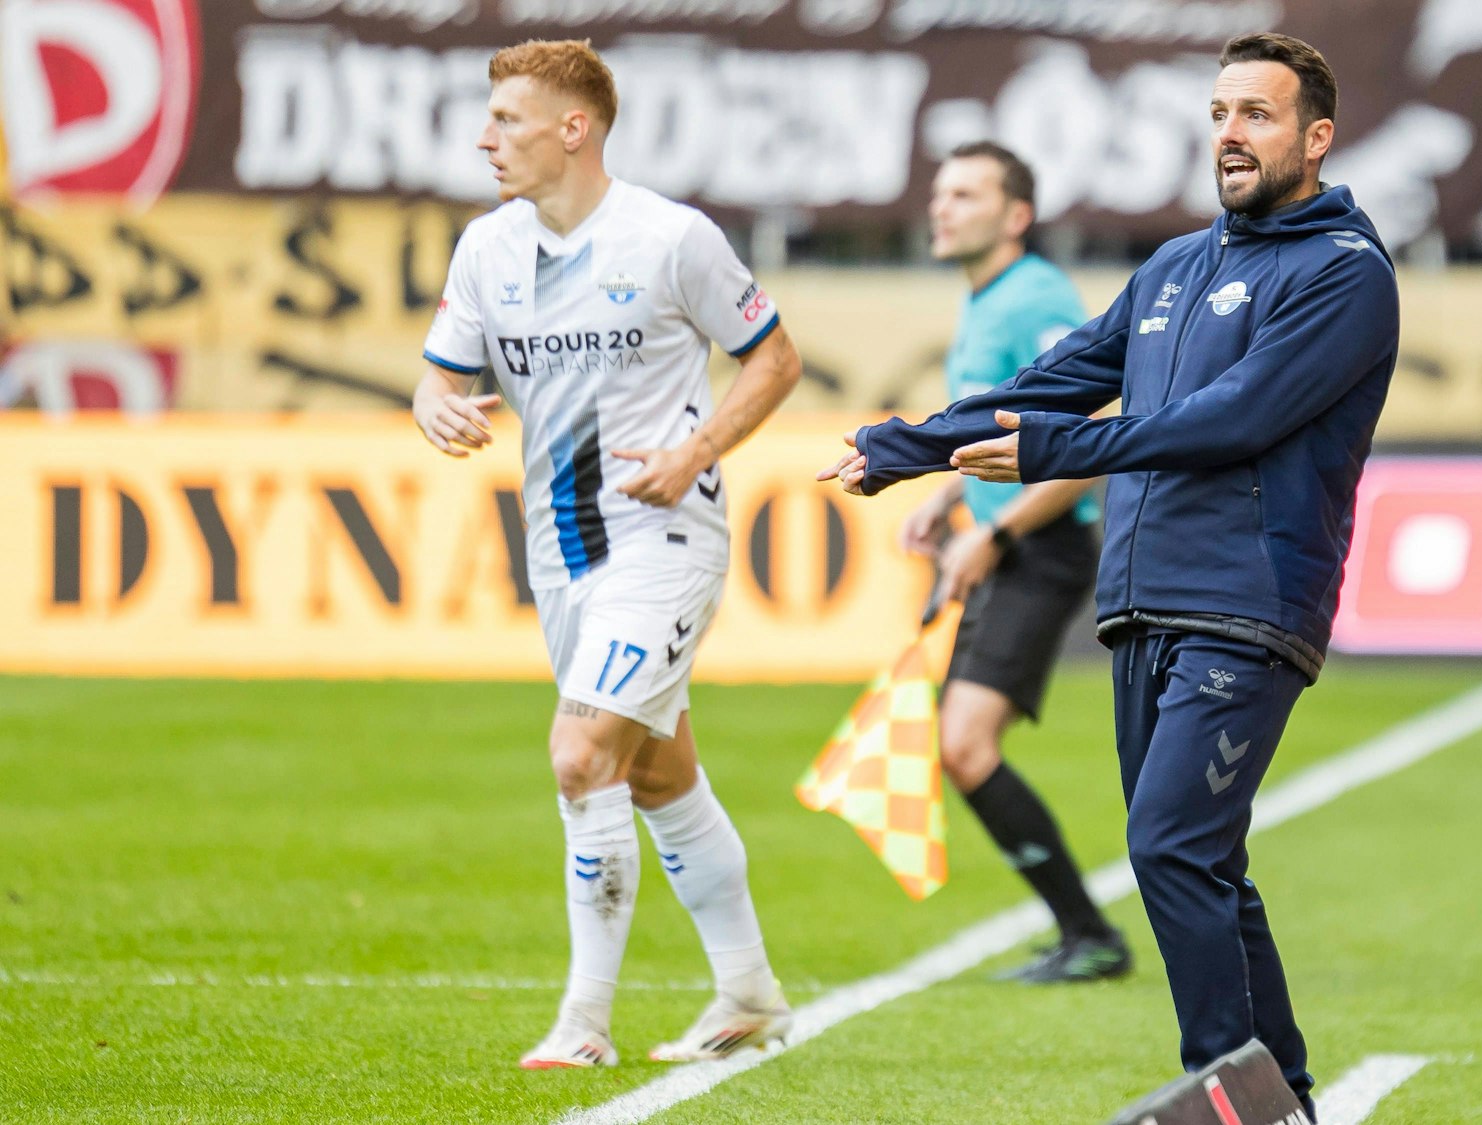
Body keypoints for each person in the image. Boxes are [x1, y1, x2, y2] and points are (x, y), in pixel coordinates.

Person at [822, 32, 1397, 1117]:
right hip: (1141, 603)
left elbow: (1233, 422)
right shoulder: (1174, 267)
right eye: (1220, 112)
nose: (1229, 133)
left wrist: (1053, 453)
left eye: (1257, 115)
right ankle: (1285, 1102)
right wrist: (909, 445)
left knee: (1168, 846)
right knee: (1204, 863)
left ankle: (1222, 1094)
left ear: (1315, 139)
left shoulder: (1345, 275)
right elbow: (1052, 379)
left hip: (1250, 601)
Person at [412, 39, 803, 1068]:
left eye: (506, 119)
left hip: (664, 537)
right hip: (560, 551)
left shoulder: (671, 238)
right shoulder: (486, 251)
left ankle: (582, 1024)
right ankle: (750, 993)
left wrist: (695, 451)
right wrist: (435, 410)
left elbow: (775, 356)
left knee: (580, 754)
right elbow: (437, 376)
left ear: (571, 128)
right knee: (658, 775)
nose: (485, 138)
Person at [898, 142, 1131, 983]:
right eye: (939, 191)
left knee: (963, 745)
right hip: (1007, 546)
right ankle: (1084, 930)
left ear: (1016, 216)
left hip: (1040, 549)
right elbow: (1007, 436)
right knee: (960, 748)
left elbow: (1084, 441)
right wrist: (951, 499)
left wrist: (993, 536)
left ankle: (1091, 934)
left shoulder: (1036, 296)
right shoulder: (988, 296)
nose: (942, 206)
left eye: (965, 193)